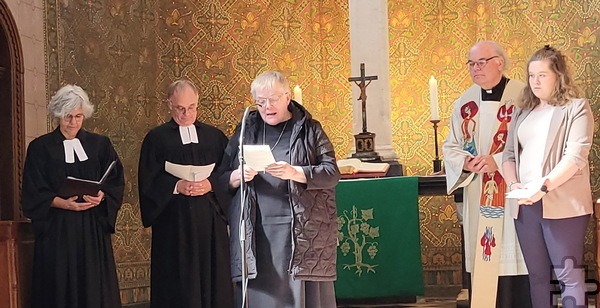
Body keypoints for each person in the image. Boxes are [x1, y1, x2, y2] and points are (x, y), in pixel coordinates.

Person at [218, 71, 340, 307]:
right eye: (260, 102)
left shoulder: (310, 130)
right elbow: (221, 178)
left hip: (301, 229)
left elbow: (332, 173)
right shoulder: (246, 131)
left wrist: (296, 172)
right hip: (257, 231)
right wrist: (237, 176)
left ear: (287, 97)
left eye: (272, 100)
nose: (267, 107)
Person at [502, 45, 594, 308]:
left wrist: (542, 188)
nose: (535, 81)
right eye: (531, 75)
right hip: (526, 205)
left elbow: (575, 157)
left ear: (559, 76)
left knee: (569, 276)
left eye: (542, 75)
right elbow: (507, 155)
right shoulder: (522, 111)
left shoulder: (576, 108)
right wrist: (515, 185)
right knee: (538, 277)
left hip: (562, 204)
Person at [442, 41, 532, 307]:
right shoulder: (464, 102)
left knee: (514, 259)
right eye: (471, 63)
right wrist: (466, 162)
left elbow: (535, 142)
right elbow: (451, 145)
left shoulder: (523, 96)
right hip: (478, 191)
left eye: (481, 62)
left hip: (512, 190)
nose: (475, 68)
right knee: (484, 258)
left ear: (499, 63)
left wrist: (496, 161)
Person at [22, 84, 125, 308]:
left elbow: (115, 180)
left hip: (91, 230)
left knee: (92, 287)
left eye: (79, 116)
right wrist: (60, 203)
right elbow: (32, 190)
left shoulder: (100, 145)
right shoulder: (40, 148)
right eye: (68, 116)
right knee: (59, 288)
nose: (74, 122)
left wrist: (102, 196)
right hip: (57, 230)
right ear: (58, 115)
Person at [138, 79, 233, 308]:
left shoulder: (215, 137)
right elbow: (147, 180)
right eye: (180, 108)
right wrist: (175, 186)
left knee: (213, 280)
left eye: (191, 107)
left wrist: (210, 184)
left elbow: (228, 172)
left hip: (210, 222)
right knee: (177, 281)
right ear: (169, 104)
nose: (186, 113)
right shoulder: (157, 138)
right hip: (173, 224)